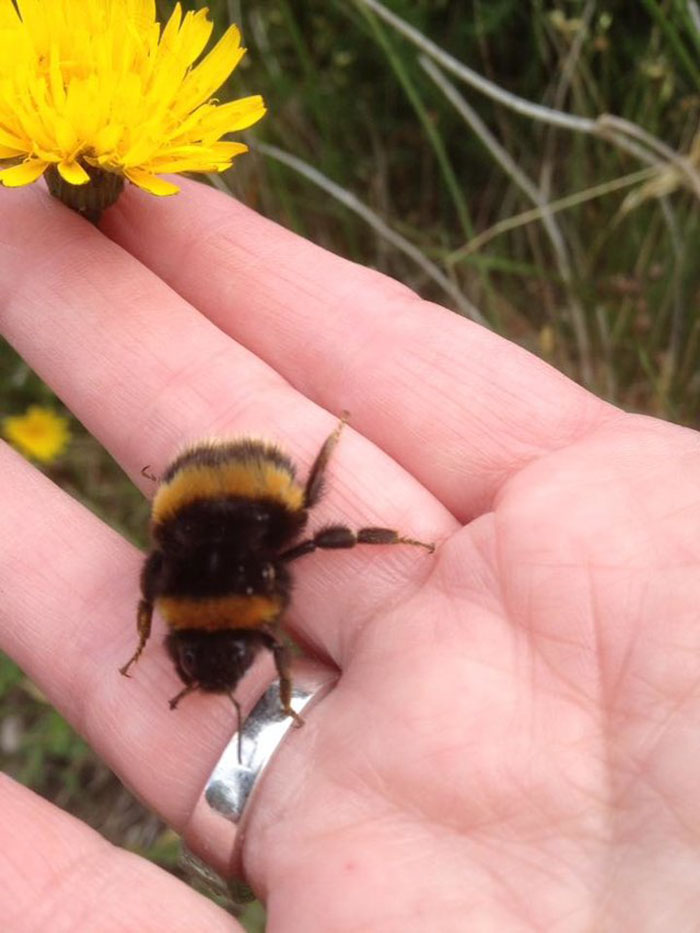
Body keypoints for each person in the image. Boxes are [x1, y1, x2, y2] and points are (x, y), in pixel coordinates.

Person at [1, 176, 699, 932]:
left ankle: (335, 468)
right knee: (303, 526)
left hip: (214, 491)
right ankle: (329, 462)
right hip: (203, 491)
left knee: (298, 528)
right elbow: (165, 567)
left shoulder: (237, 606)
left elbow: (169, 571)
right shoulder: (206, 597)